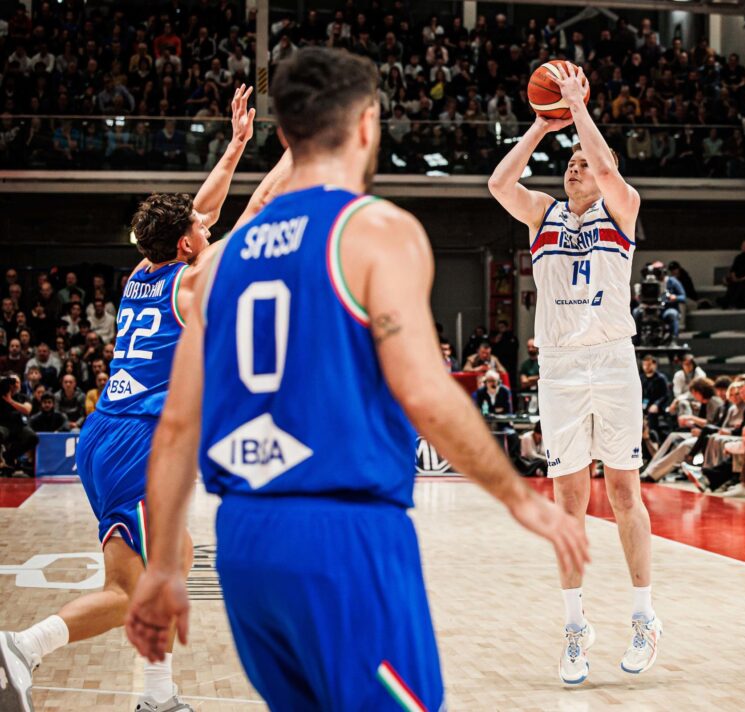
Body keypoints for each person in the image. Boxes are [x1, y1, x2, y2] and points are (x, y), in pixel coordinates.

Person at [123, 49, 587, 711]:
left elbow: (176, 427)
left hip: (246, 545)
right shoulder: (374, 231)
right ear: (367, 123)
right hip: (343, 537)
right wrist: (519, 498)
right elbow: (425, 394)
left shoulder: (219, 263)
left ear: (286, 135)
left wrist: (165, 566)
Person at [0, 85, 289, 712]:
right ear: (186, 244)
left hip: (106, 432)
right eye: (199, 229)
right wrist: (307, 146)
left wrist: (238, 144)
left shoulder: (142, 273)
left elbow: (204, 210)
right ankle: (22, 647)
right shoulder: (194, 281)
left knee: (174, 562)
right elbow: (259, 206)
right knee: (129, 591)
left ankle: (158, 696)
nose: (205, 226)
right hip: (141, 441)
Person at [488, 60, 660, 684]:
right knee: (568, 500)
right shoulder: (543, 214)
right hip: (560, 366)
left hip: (612, 360)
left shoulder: (622, 209)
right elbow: (498, 184)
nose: (574, 168)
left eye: (583, 162)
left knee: (623, 492)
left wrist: (580, 110)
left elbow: (608, 169)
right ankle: (574, 627)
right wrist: (542, 124)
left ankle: (643, 616)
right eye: (570, 162)